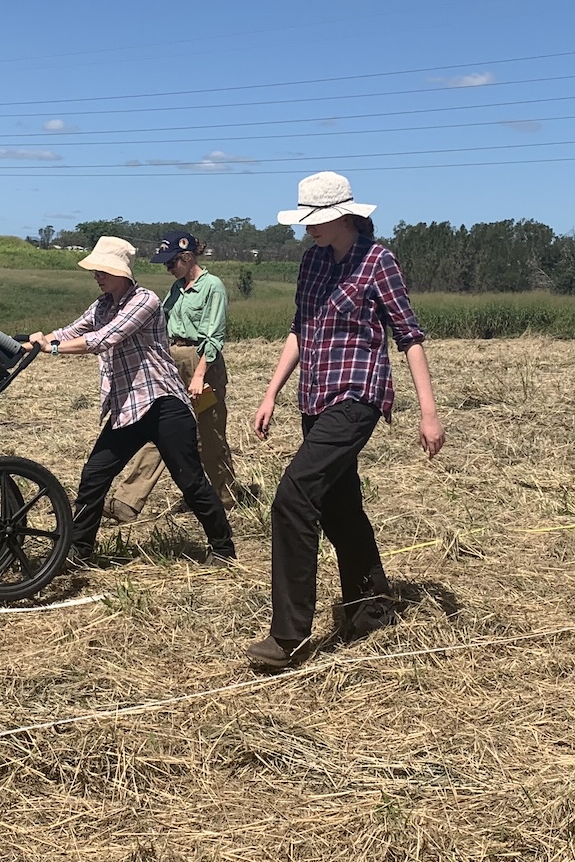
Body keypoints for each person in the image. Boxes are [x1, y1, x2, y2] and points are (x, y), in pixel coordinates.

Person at [248, 172, 444, 669]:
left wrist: (428, 411)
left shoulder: (379, 262)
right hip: (314, 398)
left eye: (315, 220)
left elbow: (409, 336)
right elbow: (300, 329)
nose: (308, 229)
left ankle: (288, 635)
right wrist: (272, 391)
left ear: (344, 216)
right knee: (339, 505)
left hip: (358, 397)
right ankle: (372, 602)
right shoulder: (312, 261)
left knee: (294, 495)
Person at [28, 235, 236, 565]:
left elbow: (103, 339)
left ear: (122, 272)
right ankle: (80, 549)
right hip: (128, 408)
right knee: (94, 474)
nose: (96, 275)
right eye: (95, 270)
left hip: (163, 404)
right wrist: (30, 343)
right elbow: (70, 331)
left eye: (102, 270)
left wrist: (50, 348)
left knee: (190, 480)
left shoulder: (146, 301)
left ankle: (223, 548)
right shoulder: (101, 305)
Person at [107, 231, 239, 523]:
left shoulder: (212, 287)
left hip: (200, 363)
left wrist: (200, 375)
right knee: (161, 428)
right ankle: (127, 502)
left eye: (172, 263)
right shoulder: (176, 290)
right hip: (172, 360)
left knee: (208, 435)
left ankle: (225, 496)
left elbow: (214, 337)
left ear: (188, 257)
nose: (168, 268)